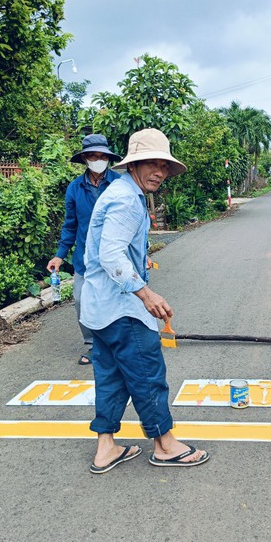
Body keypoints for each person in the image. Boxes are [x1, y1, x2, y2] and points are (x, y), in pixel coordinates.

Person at [80, 127, 210, 473]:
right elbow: (110, 254)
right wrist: (145, 293)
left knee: (111, 377)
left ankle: (105, 447)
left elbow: (110, 250)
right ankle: (165, 444)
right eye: (150, 163)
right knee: (147, 374)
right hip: (122, 310)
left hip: (98, 310)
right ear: (133, 165)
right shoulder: (126, 199)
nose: (159, 172)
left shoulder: (119, 191)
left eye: (163, 166)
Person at [46, 134, 121, 365]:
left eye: (102, 156)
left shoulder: (119, 184)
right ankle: (92, 346)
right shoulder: (75, 188)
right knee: (81, 300)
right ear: (85, 159)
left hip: (116, 256)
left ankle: (118, 345)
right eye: (93, 156)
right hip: (85, 258)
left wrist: (142, 252)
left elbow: (133, 222)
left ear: (108, 158)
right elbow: (70, 225)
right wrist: (59, 255)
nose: (98, 160)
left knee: (117, 300)